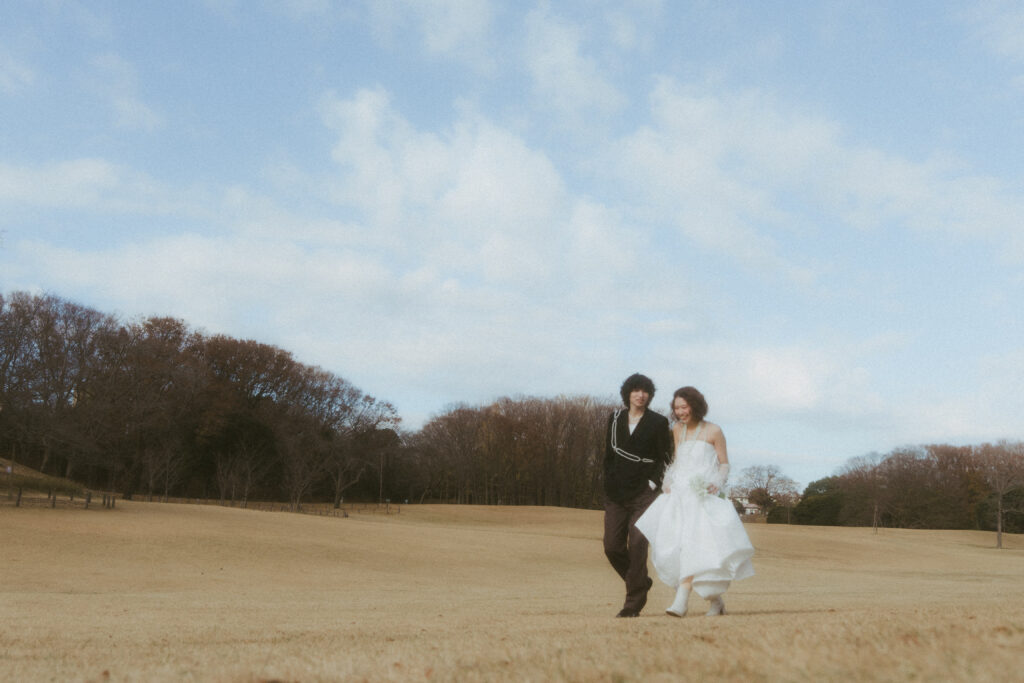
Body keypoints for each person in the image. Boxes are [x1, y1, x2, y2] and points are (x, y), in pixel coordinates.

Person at [635, 386, 754, 617]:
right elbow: (678, 461)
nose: (680, 412)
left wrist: (716, 483)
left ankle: (681, 600)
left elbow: (724, 463)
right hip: (679, 497)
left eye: (684, 407)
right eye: (676, 408)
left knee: (697, 546)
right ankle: (716, 601)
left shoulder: (714, 431)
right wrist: (668, 481)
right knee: (679, 548)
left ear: (695, 406)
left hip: (702, 498)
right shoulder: (677, 430)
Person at [603, 373, 672, 618]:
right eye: (636, 390)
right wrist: (608, 482)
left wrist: (654, 482)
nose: (640, 395)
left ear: (650, 395)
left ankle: (632, 604)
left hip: (644, 494)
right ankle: (640, 581)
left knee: (638, 545)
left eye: (645, 391)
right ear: (628, 394)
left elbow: (666, 456)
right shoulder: (615, 418)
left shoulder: (658, 422)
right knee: (611, 547)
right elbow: (608, 456)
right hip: (616, 493)